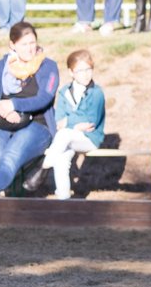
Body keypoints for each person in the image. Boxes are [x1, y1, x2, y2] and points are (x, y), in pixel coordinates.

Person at [0, 22, 58, 197]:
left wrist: (15, 105)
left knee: (10, 157)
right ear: (13, 45)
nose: (30, 48)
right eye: (24, 44)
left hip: (38, 124)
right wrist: (7, 111)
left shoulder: (48, 66)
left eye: (33, 43)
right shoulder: (3, 65)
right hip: (3, 121)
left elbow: (44, 98)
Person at [29, 49, 106, 200]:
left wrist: (70, 123)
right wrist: (76, 124)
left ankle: (43, 166)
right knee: (62, 157)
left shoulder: (96, 93)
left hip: (89, 138)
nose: (85, 74)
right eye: (80, 70)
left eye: (88, 69)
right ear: (71, 72)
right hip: (69, 140)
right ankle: (63, 198)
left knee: (64, 134)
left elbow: (91, 122)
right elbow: (59, 120)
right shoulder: (64, 92)